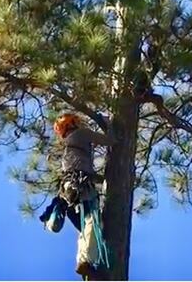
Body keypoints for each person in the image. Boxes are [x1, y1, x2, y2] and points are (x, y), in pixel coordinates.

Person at [53, 113, 116, 279]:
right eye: (77, 121)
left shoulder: (70, 146)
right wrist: (109, 123)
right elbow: (111, 141)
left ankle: (83, 263)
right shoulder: (81, 134)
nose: (80, 123)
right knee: (92, 221)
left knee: (85, 229)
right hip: (80, 188)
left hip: (68, 193)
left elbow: (82, 169)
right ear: (73, 124)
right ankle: (86, 262)